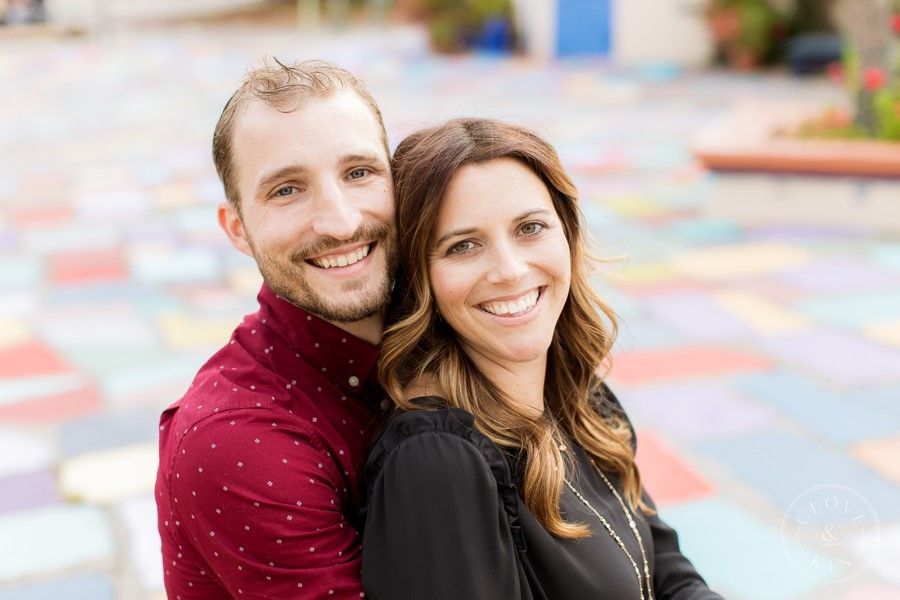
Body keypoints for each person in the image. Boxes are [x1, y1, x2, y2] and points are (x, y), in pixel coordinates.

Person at [362, 118, 724, 600]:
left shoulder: (581, 395)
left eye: (530, 228)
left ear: (568, 235)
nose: (510, 270)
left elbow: (667, 572)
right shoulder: (437, 463)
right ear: (419, 276)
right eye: (463, 246)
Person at [155, 59, 394, 598]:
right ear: (237, 228)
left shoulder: (452, 323)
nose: (340, 222)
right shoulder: (234, 440)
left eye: (359, 173)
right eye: (287, 190)